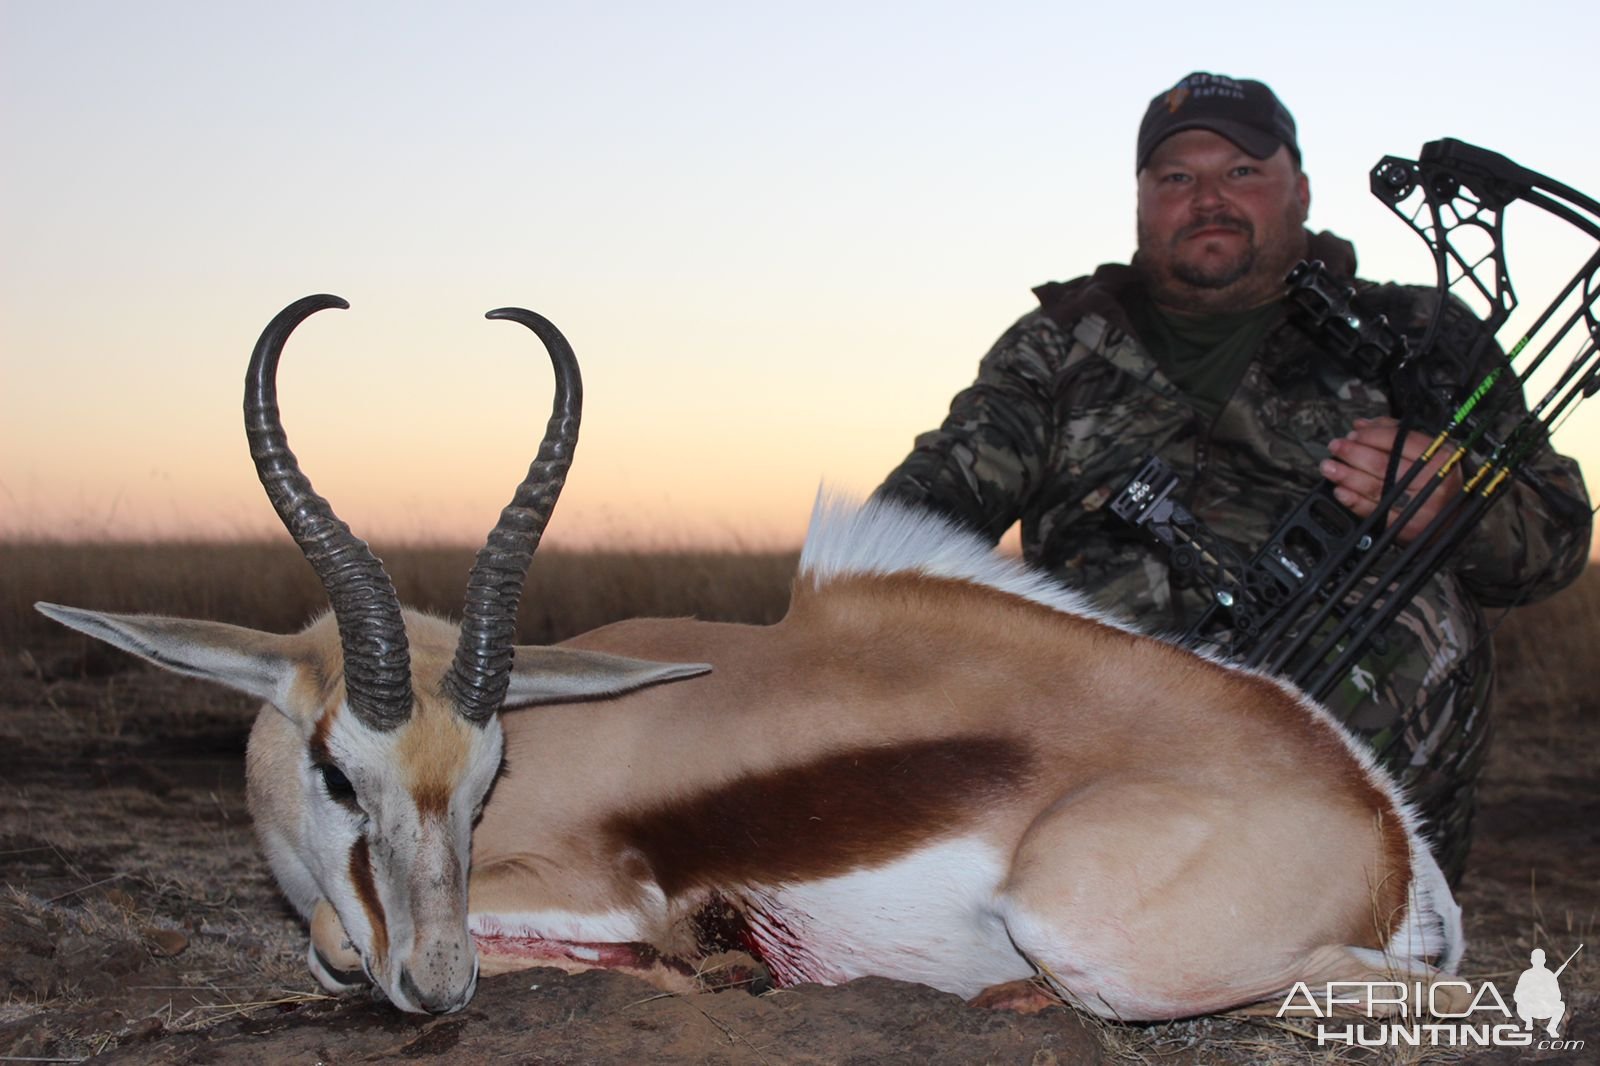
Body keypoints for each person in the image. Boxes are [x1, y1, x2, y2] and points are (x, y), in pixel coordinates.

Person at [873, 72, 1590, 884]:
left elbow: (1557, 533)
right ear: (1142, 201)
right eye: (1177, 178)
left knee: (1416, 617)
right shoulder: (1057, 345)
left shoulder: (1420, 335)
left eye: (1242, 172)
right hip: (1103, 745)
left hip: (1333, 773)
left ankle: (1358, 921)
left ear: (1302, 190)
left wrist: (1458, 502)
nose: (1208, 198)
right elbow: (922, 511)